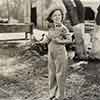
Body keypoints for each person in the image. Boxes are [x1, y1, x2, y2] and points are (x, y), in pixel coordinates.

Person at [37, 7, 72, 100]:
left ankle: (60, 96)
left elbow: (69, 40)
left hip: (60, 54)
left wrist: (60, 41)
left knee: (60, 75)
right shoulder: (51, 27)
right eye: (55, 15)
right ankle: (52, 94)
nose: (57, 17)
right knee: (52, 74)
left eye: (59, 15)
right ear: (51, 17)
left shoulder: (64, 28)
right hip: (51, 54)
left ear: (62, 17)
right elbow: (47, 38)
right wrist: (40, 42)